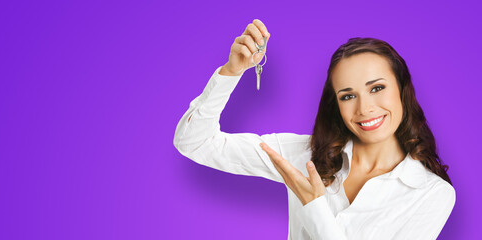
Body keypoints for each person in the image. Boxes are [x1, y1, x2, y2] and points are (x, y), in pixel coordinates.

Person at [173, 19, 455, 240]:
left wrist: (314, 206)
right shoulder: (305, 156)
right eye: (348, 95)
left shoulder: (431, 193)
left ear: (402, 90)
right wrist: (232, 71)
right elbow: (195, 142)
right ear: (337, 104)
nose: (365, 108)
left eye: (377, 88)